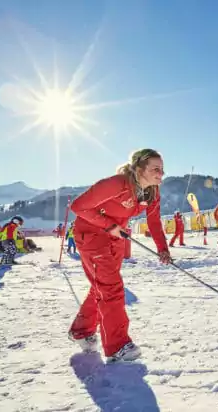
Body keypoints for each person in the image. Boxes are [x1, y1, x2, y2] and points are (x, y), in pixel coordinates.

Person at [68, 148, 172, 363]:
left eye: (162, 169)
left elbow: (153, 222)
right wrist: (109, 225)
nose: (161, 173)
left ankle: (82, 330)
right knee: (111, 288)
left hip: (115, 238)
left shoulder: (152, 191)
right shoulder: (116, 184)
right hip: (92, 235)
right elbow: (78, 207)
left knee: (103, 286)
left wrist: (163, 248)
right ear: (138, 168)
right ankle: (117, 346)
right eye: (155, 169)